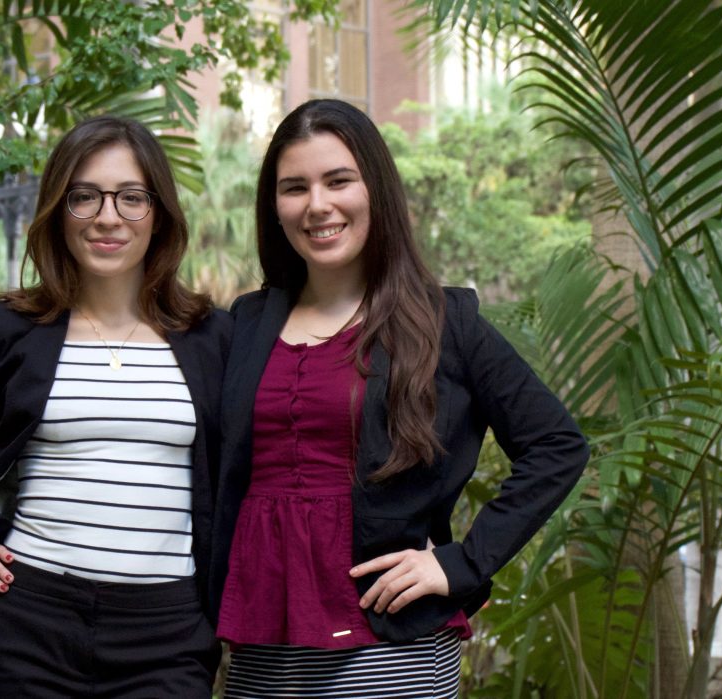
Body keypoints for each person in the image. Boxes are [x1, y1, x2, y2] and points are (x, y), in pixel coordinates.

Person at [208, 99, 589, 698]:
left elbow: (557, 446)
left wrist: (459, 564)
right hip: (263, 642)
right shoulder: (248, 323)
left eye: (338, 181)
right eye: (294, 187)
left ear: (375, 190)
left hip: (389, 646)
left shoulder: (443, 322)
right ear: (273, 206)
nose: (317, 205)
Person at [0, 115, 230, 698]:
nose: (107, 216)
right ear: (58, 210)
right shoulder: (9, 330)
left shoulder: (211, 337)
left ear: (159, 213)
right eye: (84, 197)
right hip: (28, 626)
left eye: (131, 197)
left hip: (165, 633)